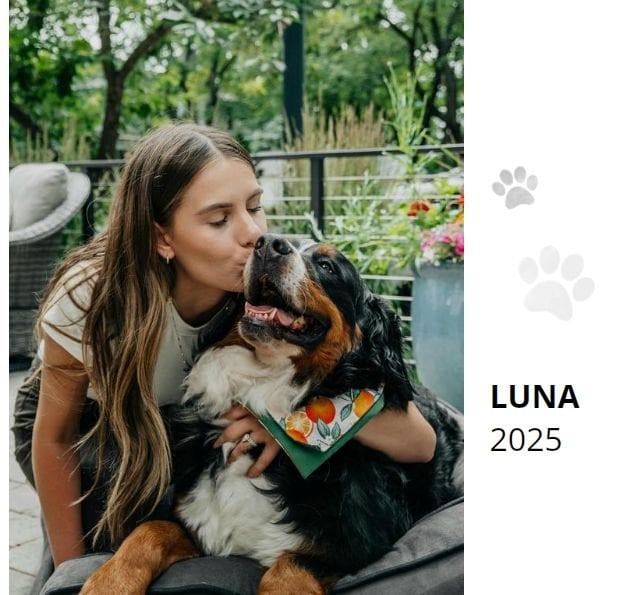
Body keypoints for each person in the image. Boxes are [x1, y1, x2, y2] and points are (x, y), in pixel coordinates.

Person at [12, 123, 437, 593]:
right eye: (219, 219)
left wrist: (291, 426)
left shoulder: (253, 291)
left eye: (254, 207)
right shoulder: (91, 295)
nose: (254, 234)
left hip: (172, 418)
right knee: (104, 538)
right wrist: (71, 571)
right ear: (162, 238)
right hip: (87, 421)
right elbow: (54, 437)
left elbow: (419, 442)